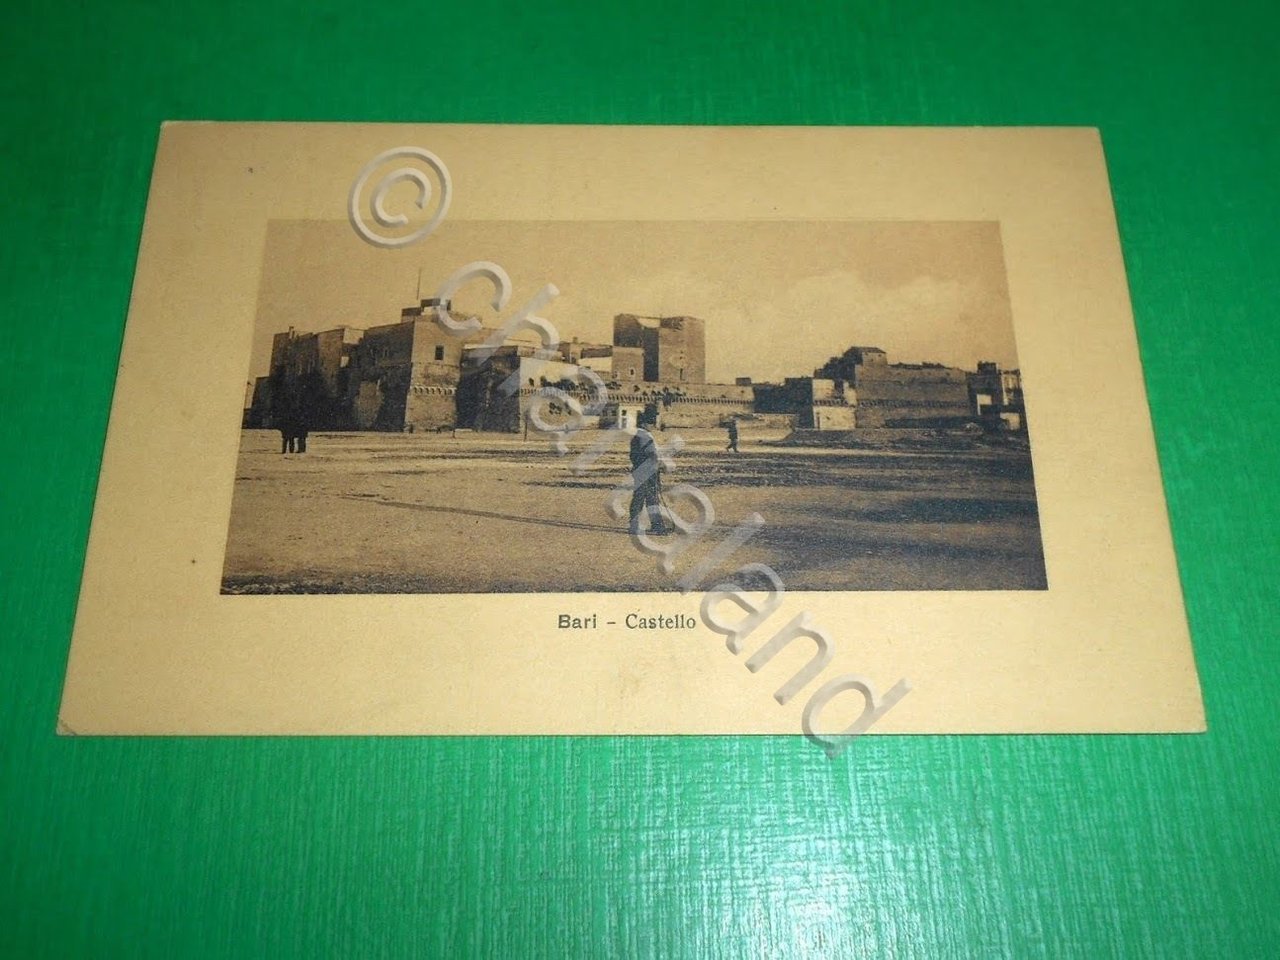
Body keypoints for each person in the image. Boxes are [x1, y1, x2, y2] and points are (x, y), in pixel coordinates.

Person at [629, 408, 670, 536]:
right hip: (647, 472)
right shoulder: (644, 436)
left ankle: (637, 526)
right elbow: (652, 453)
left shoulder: (638, 435)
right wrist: (662, 465)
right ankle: (655, 526)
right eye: (651, 423)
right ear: (644, 423)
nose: (653, 425)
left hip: (640, 471)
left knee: (641, 498)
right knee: (649, 499)